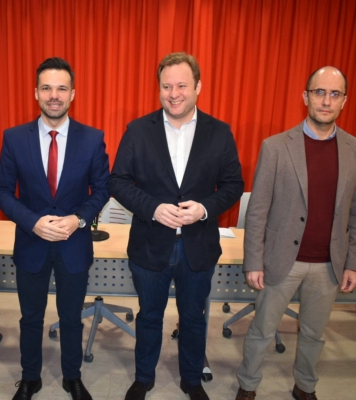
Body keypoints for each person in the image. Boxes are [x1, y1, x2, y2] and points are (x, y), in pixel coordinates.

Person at [109, 52, 244, 400]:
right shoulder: (138, 130)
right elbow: (119, 182)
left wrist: (204, 209)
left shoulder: (219, 132)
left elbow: (232, 185)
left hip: (197, 245)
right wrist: (152, 208)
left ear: (198, 86)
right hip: (150, 244)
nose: (174, 93)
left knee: (194, 318)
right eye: (166, 86)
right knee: (150, 315)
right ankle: (143, 378)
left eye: (182, 85)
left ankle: (192, 379)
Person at [0, 57, 109, 400]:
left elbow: (101, 190)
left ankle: (72, 376)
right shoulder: (14, 138)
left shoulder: (91, 139)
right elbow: (0, 189)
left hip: (74, 245)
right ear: (36, 93)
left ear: (73, 94)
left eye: (61, 88)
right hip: (32, 244)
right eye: (46, 88)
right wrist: (32, 221)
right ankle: (31, 378)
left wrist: (78, 219)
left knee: (71, 318)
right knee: (30, 317)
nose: (53, 95)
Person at [235, 66, 356, 400]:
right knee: (262, 330)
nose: (326, 100)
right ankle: (248, 385)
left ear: (344, 101)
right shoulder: (275, 147)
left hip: (329, 266)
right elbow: (257, 210)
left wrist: (352, 263)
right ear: (305, 97)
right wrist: (253, 262)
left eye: (335, 94)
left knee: (315, 335)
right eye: (319, 92)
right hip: (281, 262)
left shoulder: (353, 150)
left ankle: (305, 386)